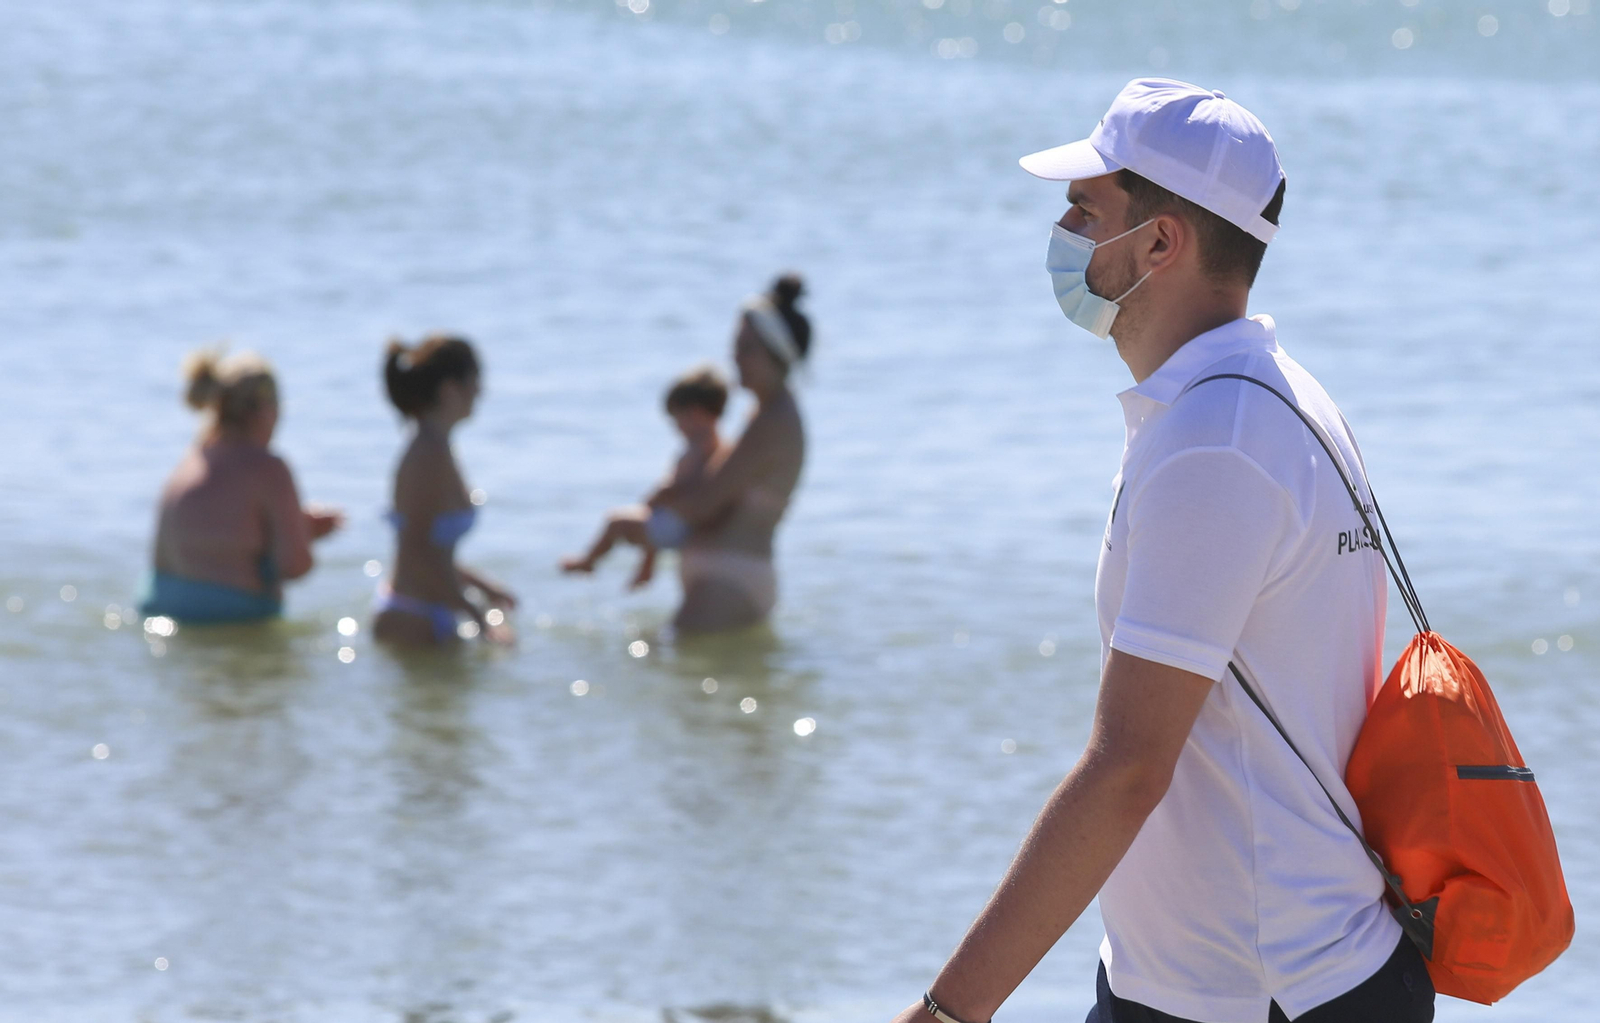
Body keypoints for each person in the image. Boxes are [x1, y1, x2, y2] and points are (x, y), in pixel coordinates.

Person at [893, 80, 1434, 1023]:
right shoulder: (1266, 396)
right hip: (1231, 975)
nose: (1062, 226)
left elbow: (1129, 767)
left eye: (1086, 207)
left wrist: (947, 1013)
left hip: (1259, 993)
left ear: (1160, 242)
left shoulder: (1214, 438)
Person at [648, 274, 810, 633]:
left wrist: (643, 518)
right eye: (735, 345)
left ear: (775, 353)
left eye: (746, 348)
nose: (733, 356)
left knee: (665, 670)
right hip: (727, 579)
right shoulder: (766, 414)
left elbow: (703, 505)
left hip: (729, 584)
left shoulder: (773, 421)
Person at [141, 349, 343, 623]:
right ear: (265, 409)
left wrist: (297, 524)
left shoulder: (190, 461)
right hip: (228, 616)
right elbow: (294, 565)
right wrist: (305, 533)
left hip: (157, 606)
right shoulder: (268, 468)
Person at [373, 335, 516, 646]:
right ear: (450, 388)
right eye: (475, 380)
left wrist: (485, 587)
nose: (481, 391)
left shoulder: (436, 446)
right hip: (412, 617)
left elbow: (432, 550)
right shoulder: (428, 454)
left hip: (427, 610)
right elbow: (419, 551)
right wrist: (477, 616)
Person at [559, 365, 729, 590]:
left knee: (615, 521)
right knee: (652, 517)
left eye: (677, 419)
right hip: (685, 525)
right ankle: (646, 567)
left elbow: (677, 488)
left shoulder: (698, 448)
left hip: (679, 526)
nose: (676, 428)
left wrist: (655, 496)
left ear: (694, 413)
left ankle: (588, 561)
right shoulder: (721, 447)